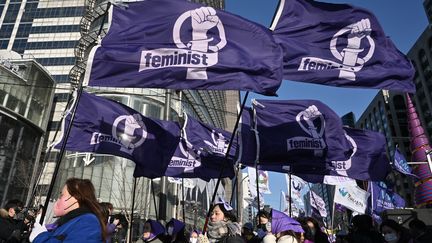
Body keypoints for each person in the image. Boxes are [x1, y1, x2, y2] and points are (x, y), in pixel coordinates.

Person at [30, 178, 106, 242]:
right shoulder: (69, 222)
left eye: (62, 195)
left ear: (76, 197)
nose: (58, 199)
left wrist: (39, 237)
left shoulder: (88, 221)